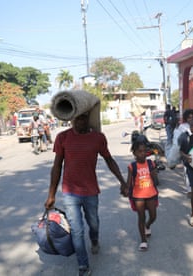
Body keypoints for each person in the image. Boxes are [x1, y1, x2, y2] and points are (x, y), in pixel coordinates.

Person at [44, 111, 127, 276]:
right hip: (70, 192)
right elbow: (57, 167)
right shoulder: (63, 137)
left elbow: (109, 160)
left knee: (93, 223)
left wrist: (123, 182)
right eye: (77, 117)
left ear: (89, 118)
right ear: (72, 118)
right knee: (77, 230)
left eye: (84, 117)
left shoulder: (98, 138)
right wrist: (51, 194)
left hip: (90, 191)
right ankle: (83, 266)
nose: (80, 121)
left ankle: (95, 239)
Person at [124, 137, 159, 252]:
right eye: (140, 151)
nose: (142, 154)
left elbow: (155, 178)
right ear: (134, 153)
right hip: (138, 196)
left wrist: (154, 172)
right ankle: (143, 240)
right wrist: (126, 189)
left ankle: (148, 225)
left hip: (151, 194)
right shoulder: (132, 166)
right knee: (141, 217)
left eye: (144, 151)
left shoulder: (150, 163)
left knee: (153, 216)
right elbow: (129, 182)